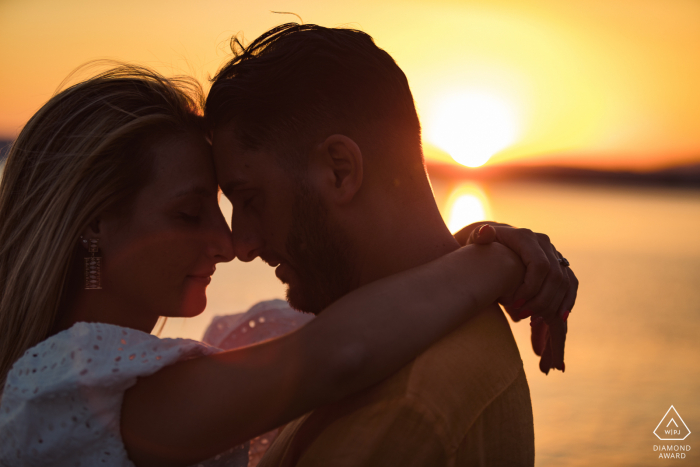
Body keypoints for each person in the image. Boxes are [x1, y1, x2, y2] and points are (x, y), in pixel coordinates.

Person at [0, 64, 566, 467]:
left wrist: (473, 244)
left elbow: (371, 314)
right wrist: (497, 265)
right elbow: (340, 352)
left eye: (231, 205)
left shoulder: (230, 353)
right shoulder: (59, 393)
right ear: (94, 221)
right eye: (189, 211)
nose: (229, 244)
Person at [205, 23, 577, 466]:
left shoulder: (401, 412)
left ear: (340, 171)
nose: (240, 244)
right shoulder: (433, 332)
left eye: (250, 199)